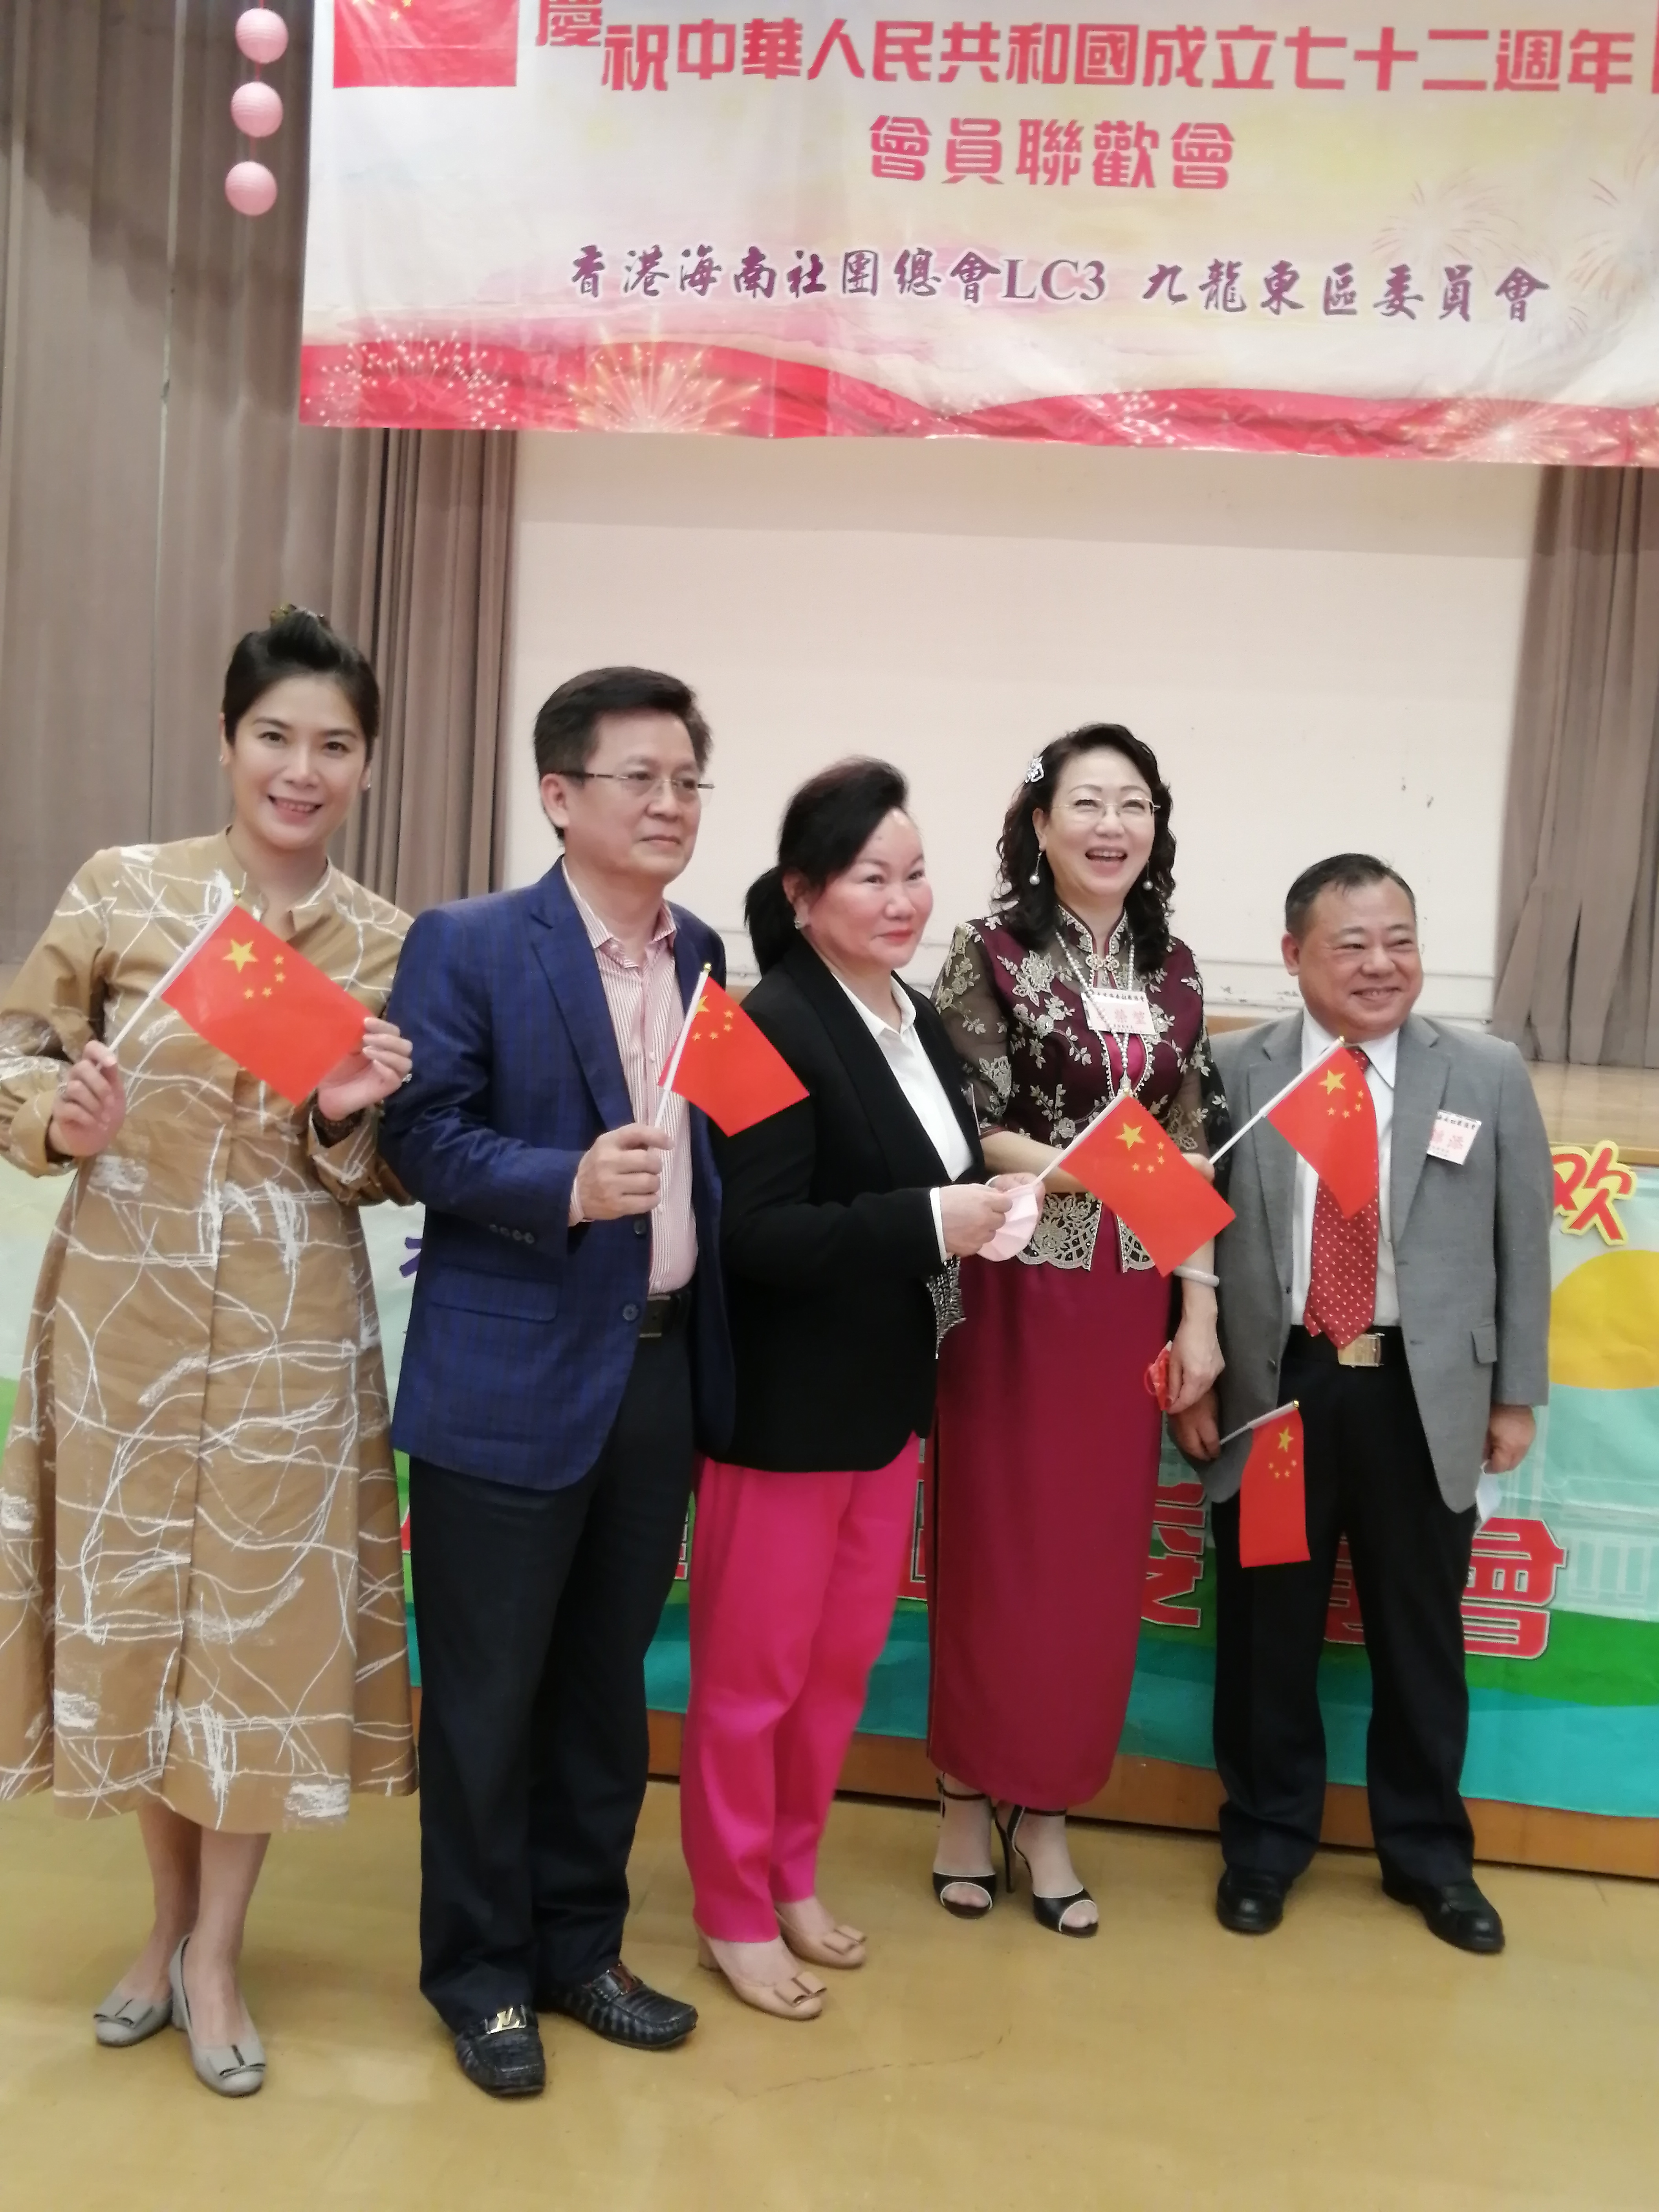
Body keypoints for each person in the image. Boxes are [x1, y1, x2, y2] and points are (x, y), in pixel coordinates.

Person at [0, 608, 416, 2098]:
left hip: (293, 1331)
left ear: (366, 764)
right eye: (274, 737)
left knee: (254, 1635)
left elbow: (386, 1167)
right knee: (138, 1621)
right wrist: (60, 1117)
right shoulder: (124, 889)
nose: (301, 769)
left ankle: (220, 1953)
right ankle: (164, 1923)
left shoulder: (390, 944)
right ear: (228, 741)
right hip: (125, 1310)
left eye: (334, 745)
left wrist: (352, 1114)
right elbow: (17, 1052)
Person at [378, 667, 734, 2099]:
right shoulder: (468, 943)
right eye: (640, 778)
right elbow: (419, 1136)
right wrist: (566, 1184)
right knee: (486, 1699)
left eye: (689, 780)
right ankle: (480, 1979)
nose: (671, 803)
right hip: (508, 1375)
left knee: (602, 1690)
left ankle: (582, 1950)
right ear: (559, 796)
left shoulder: (703, 952)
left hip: (655, 1374)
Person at [1173, 854, 1551, 1952]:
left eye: (1401, 942)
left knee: (1420, 1636)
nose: (1382, 965)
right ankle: (1264, 1844)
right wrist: (1194, 1374)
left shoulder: (1484, 1072)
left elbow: (1522, 1242)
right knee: (1268, 1632)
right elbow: (1186, 1227)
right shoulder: (1233, 1069)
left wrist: (1515, 1396)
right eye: (1353, 945)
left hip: (1423, 1398)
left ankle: (1430, 1857)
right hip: (1277, 1392)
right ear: (1294, 956)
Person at [680, 761, 1008, 2020]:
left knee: (833, 1675)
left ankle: (792, 1876)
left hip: (883, 1409)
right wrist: (932, 1221)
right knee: (750, 1681)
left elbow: (935, 1173)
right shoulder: (757, 1024)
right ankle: (728, 1908)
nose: (904, 899)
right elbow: (750, 1236)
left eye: (916, 874)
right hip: (783, 1416)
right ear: (803, 894)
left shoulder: (912, 1015)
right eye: (872, 877)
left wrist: (988, 1205)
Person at [928, 726, 1226, 1934]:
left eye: (1134, 804)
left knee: (1094, 1564)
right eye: (1088, 803)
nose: (1113, 826)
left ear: (1157, 826)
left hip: (1127, 1300)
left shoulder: (1178, 969)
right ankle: (963, 1794)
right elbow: (970, 1123)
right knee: (994, 1545)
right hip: (1011, 1284)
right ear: (1040, 824)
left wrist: (1200, 1307)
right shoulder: (989, 950)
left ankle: (1047, 1809)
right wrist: (1100, 1169)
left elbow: (1191, 1147)